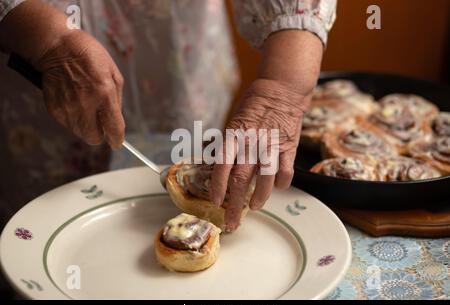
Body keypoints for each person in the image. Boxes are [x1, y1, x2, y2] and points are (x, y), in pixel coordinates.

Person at [0, 0, 337, 232]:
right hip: (35, 92)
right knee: (40, 227)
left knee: (200, 178)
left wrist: (283, 85)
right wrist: (45, 36)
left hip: (182, 63)